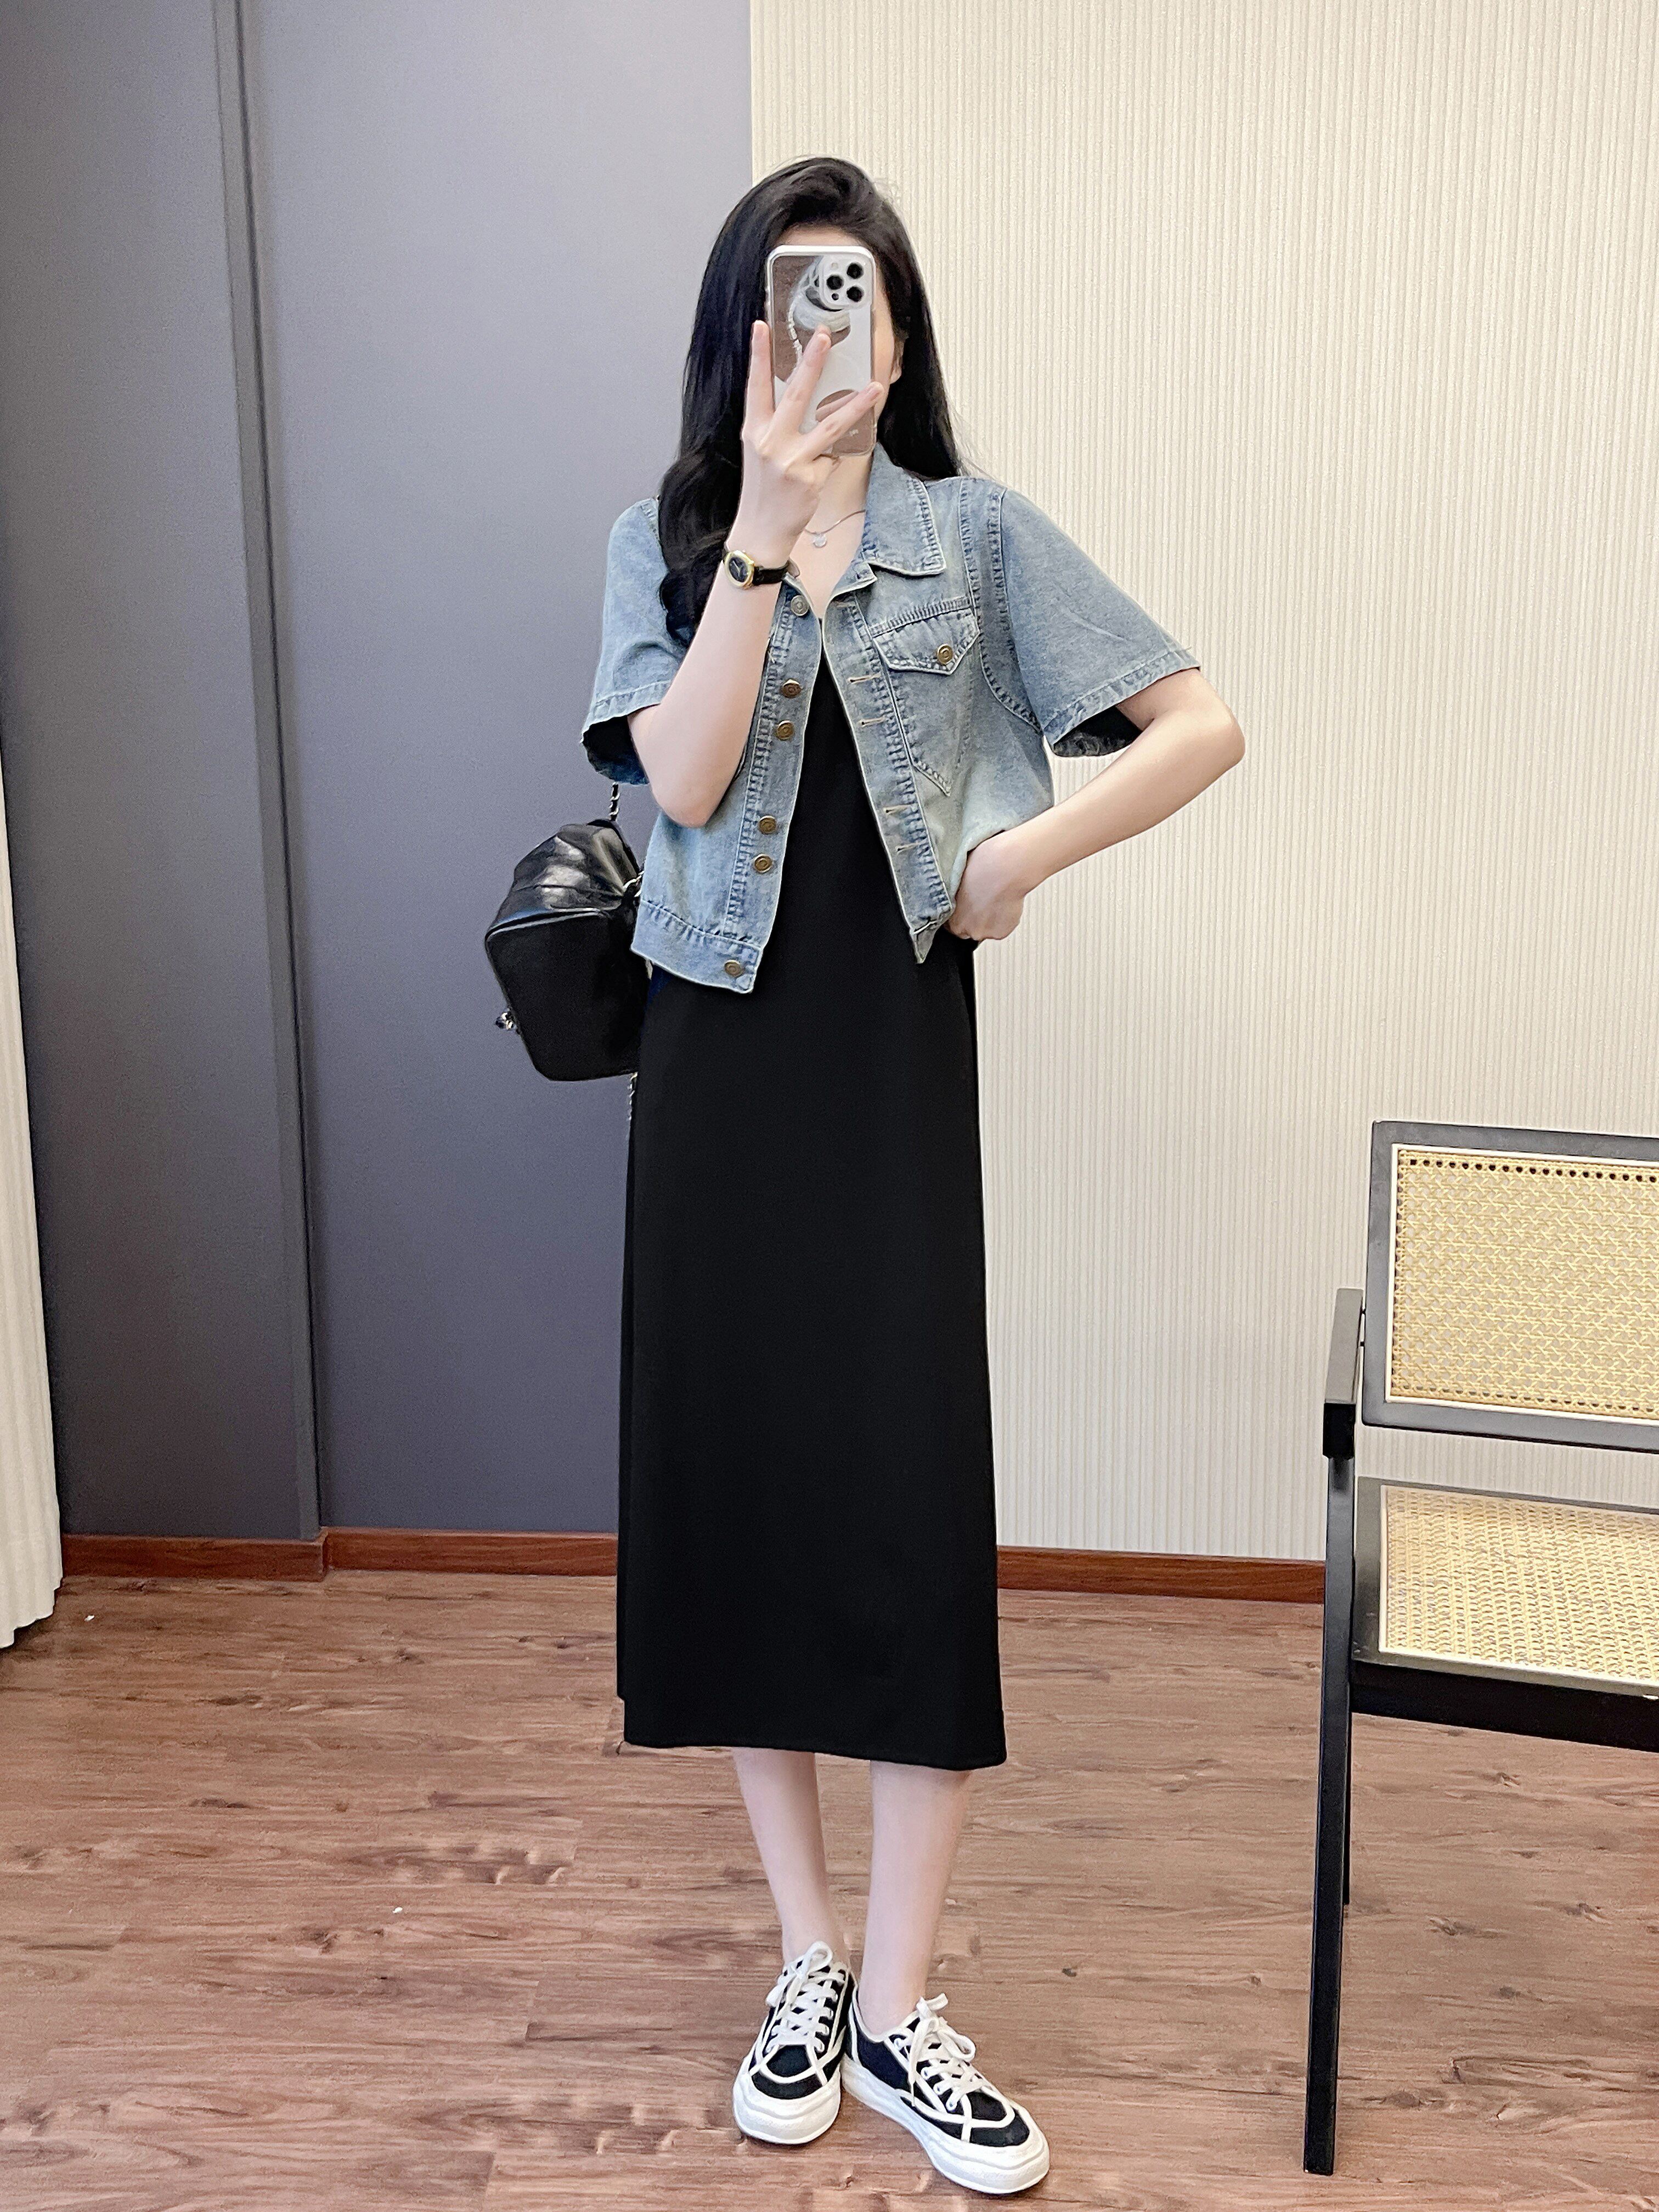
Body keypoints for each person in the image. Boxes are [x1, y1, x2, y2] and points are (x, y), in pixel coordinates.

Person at [579, 155, 1244, 2198]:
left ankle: (898, 2002)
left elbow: (1200, 722)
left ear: (896, 327)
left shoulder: (977, 535)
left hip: (887, 1066)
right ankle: (805, 1960)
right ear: (739, 334)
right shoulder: (668, 540)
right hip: (717, 1067)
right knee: (743, 1501)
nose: (823, 330)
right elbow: (682, 776)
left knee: (905, 1506)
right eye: (789, 296)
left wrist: (1012, 860)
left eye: (852, 294)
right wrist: (759, 544)